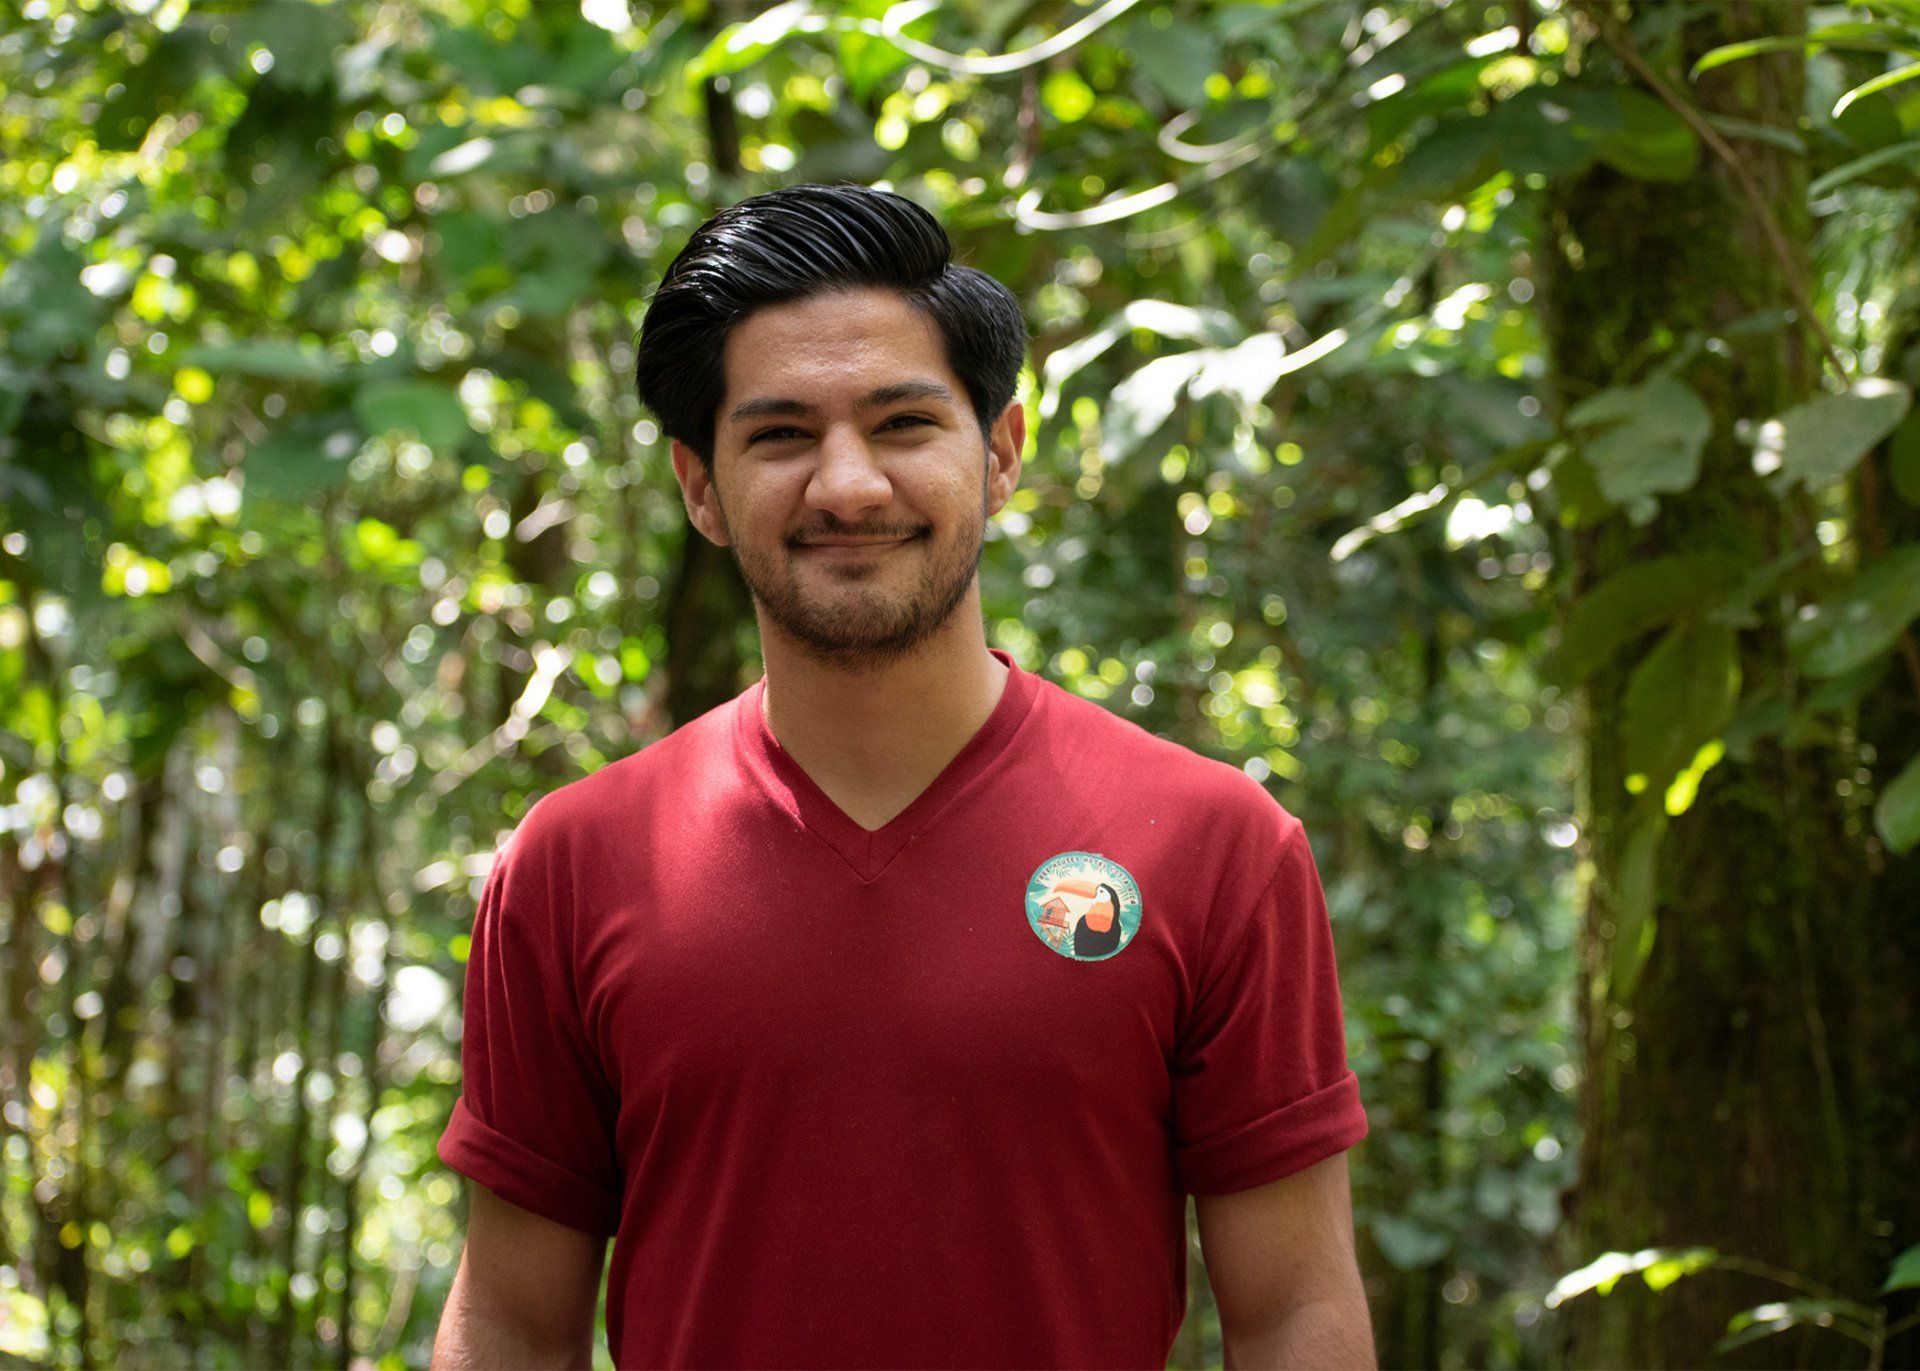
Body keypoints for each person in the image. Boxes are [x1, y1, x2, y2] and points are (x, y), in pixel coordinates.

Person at [430, 183, 1373, 1370]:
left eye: (903, 424)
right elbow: (512, 1325)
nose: (849, 486)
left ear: (1002, 453)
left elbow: (1295, 1317)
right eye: (779, 436)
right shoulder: (574, 862)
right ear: (699, 488)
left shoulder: (1215, 844)